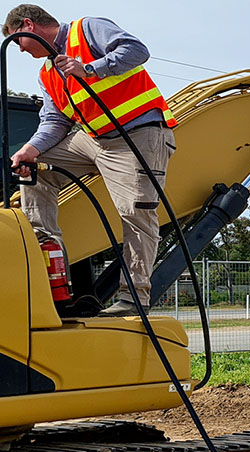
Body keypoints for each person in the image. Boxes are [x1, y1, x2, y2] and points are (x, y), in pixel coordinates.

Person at [3, 5, 177, 316]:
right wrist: (30, 150)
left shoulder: (88, 29)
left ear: (28, 25)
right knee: (35, 171)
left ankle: (133, 299)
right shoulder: (47, 73)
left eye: (18, 41)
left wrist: (91, 68)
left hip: (137, 135)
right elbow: (55, 122)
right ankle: (51, 274)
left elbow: (137, 50)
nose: (20, 50)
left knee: (135, 213)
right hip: (92, 139)